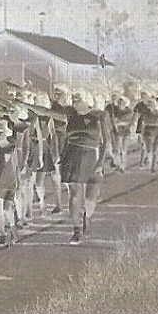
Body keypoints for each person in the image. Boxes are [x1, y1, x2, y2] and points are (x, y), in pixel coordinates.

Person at [60, 92, 105, 245]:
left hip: (93, 155)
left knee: (91, 197)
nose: (75, 103)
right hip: (72, 155)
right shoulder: (70, 115)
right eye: (73, 100)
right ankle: (76, 229)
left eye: (78, 100)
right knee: (74, 192)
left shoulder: (99, 116)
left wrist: (100, 162)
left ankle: (88, 215)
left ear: (87, 101)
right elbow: (45, 111)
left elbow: (106, 141)